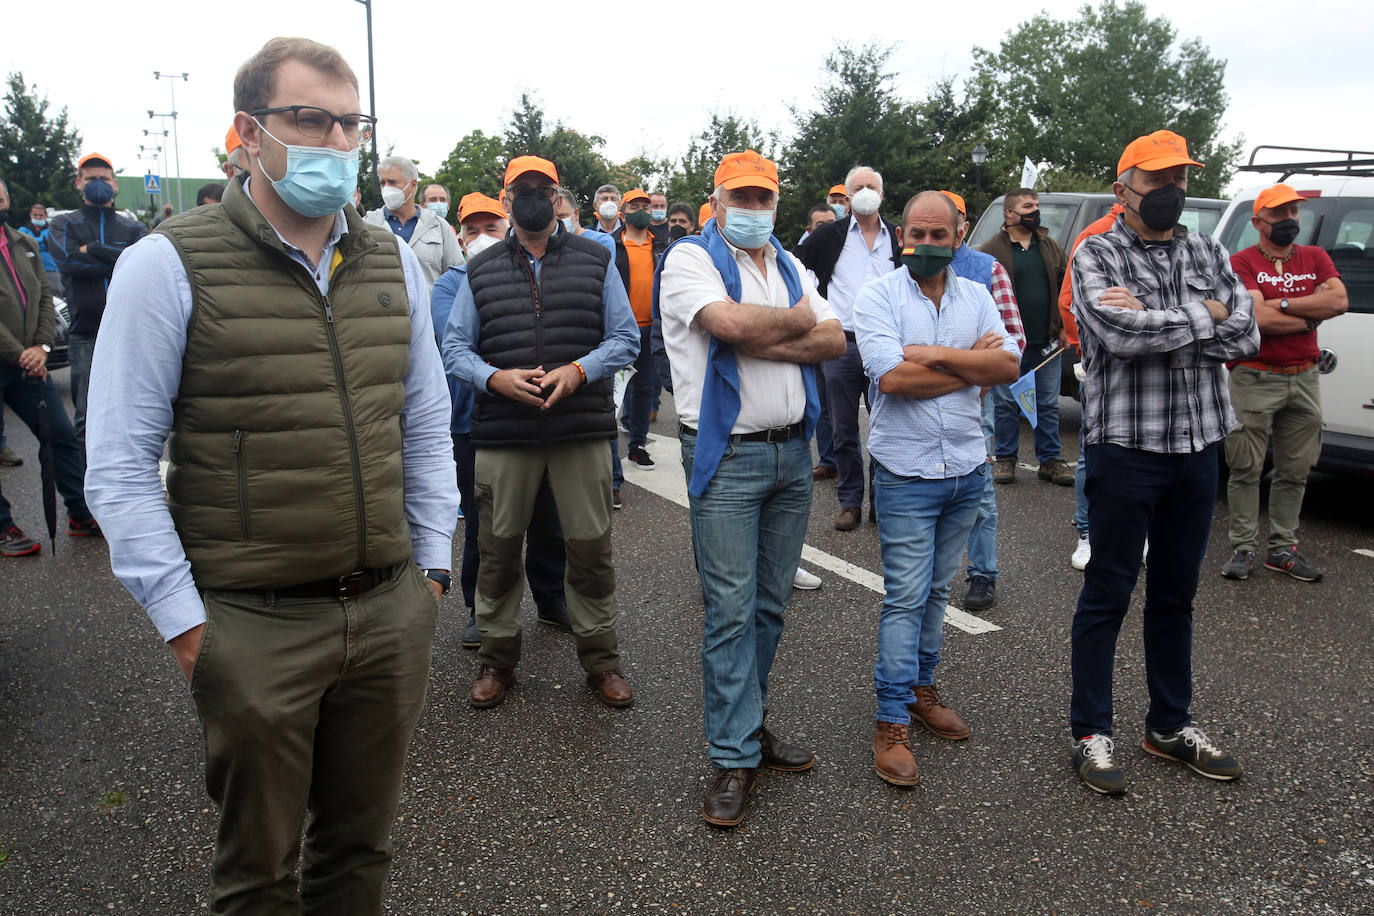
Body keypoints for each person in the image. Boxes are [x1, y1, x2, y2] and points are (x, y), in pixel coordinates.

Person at [84, 37, 461, 911]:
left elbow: (427, 418)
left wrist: (433, 570)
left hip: (388, 610)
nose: (334, 143)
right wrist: (188, 627)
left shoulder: (390, 260)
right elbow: (119, 463)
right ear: (249, 134)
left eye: (348, 124)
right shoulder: (167, 265)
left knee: (359, 853)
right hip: (252, 625)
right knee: (257, 872)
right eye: (308, 120)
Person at [658, 150, 845, 827]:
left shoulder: (791, 267)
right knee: (730, 611)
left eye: (764, 199)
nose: (754, 209)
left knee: (768, 607)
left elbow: (836, 342)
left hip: (793, 455)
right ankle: (733, 753)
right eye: (741, 197)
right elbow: (729, 326)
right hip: (729, 458)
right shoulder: (690, 259)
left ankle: (749, 727)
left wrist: (763, 332)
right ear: (715, 201)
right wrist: (791, 323)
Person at [1068, 129, 1258, 795]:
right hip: (1126, 451)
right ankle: (1090, 732)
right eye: (1157, 180)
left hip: (1199, 447)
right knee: (1108, 593)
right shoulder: (1096, 254)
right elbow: (1117, 335)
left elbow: (1250, 329)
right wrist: (1205, 314)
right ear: (1124, 191)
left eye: (1179, 177)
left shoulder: (1208, 248)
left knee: (1176, 595)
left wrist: (1161, 314)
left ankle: (1169, 725)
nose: (1171, 191)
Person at [442, 155, 639, 711]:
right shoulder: (478, 271)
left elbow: (626, 340)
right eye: (520, 189)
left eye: (542, 188)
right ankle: (497, 659)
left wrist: (579, 371)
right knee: (497, 549)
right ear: (506, 200)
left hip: (579, 430)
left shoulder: (597, 259)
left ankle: (602, 660)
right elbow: (455, 348)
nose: (531, 197)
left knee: (590, 548)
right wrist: (493, 378)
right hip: (505, 432)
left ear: (557, 197)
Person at [855, 192, 1020, 786]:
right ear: (902, 234)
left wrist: (935, 357)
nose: (927, 245)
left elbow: (1006, 366)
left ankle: (923, 690)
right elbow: (893, 379)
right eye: (917, 235)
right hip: (905, 473)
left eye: (938, 235)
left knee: (936, 594)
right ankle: (891, 718)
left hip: (966, 472)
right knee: (905, 596)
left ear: (959, 236)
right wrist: (965, 364)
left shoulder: (976, 296)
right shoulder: (878, 296)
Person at [435, 192, 574, 650]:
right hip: (476, 421)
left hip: (545, 415)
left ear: (508, 225)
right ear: (459, 235)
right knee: (486, 525)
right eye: (471, 230)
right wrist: (499, 375)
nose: (480, 237)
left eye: (489, 228)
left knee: (549, 519)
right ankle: (482, 608)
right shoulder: (451, 284)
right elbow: (459, 345)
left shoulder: (547, 270)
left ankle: (551, 600)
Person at [1221, 184, 1347, 583]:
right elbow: (1257, 319)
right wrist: (1311, 314)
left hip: (1304, 377)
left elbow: (1339, 301)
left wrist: (1285, 304)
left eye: (1294, 212)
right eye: (1279, 214)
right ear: (1258, 222)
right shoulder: (1242, 262)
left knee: (1296, 469)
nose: (1289, 220)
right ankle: (1243, 547)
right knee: (1245, 467)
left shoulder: (1315, 256)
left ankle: (1283, 549)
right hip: (1254, 374)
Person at [796, 165, 902, 530]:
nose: (866, 191)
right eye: (858, 187)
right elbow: (796, 268)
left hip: (888, 345)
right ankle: (851, 501)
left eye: (872, 186)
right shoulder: (829, 235)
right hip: (842, 344)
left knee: (887, 426)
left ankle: (883, 502)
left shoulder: (898, 237)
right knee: (843, 429)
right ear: (847, 196)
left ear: (882, 195)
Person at [0, 176, 100, 548]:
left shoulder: (23, 243)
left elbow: (44, 296)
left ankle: (79, 511)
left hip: (29, 363)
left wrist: (41, 346)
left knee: (60, 434)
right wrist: (20, 351)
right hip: (15, 356)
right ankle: (3, 525)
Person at [940, 190, 1025, 613]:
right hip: (916, 403)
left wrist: (978, 372)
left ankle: (982, 574)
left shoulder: (987, 269)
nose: (938, 232)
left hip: (978, 399)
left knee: (980, 490)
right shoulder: (904, 269)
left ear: (963, 225)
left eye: (948, 221)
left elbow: (1012, 339)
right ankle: (923, 576)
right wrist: (972, 356)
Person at [46, 152, 146, 453]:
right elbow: (67, 261)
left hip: (131, 333)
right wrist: (119, 256)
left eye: (104, 179)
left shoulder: (131, 227)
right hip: (86, 332)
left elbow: (143, 263)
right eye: (91, 179)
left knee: (138, 414)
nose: (98, 185)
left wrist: (94, 249)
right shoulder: (65, 223)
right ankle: (86, 494)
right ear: (79, 183)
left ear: (114, 184)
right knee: (87, 418)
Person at [979, 188, 1072, 486]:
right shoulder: (990, 250)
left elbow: (1066, 288)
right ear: (1009, 213)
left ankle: (1050, 461)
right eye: (1028, 206)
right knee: (1006, 404)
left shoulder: (1051, 247)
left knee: (1047, 404)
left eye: (1036, 206)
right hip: (1007, 343)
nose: (1035, 211)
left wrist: (1064, 327)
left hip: (1046, 342)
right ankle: (1005, 459)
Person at [1057, 202, 1124, 571]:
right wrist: (1087, 348)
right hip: (1102, 367)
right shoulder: (1096, 233)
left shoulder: (1179, 240)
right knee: (1092, 451)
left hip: (1155, 376)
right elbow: (1069, 302)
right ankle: (1087, 533)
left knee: (1140, 456)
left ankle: (1134, 531)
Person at [612, 188, 667, 471]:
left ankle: (637, 445)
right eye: (635, 205)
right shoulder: (610, 245)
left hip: (651, 328)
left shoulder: (661, 244)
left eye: (646, 205)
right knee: (613, 390)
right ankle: (604, 448)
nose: (643, 210)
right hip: (619, 331)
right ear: (622, 212)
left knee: (645, 388)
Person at [365, 155, 463, 291]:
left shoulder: (439, 227)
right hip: (382, 310)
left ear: (413, 185)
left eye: (392, 182)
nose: (386, 189)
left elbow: (456, 276)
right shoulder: (368, 224)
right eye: (383, 183)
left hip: (430, 311)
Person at [799, 201, 839, 478]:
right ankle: (828, 459)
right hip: (811, 339)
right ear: (810, 230)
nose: (826, 231)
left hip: (838, 338)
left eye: (831, 225)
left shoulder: (842, 257)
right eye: (820, 226)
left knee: (844, 410)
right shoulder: (799, 262)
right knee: (821, 403)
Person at [19, 202, 62, 296]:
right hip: (30, 270)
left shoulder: (52, 230)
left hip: (51, 270)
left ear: (46, 216)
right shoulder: (23, 230)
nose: (38, 217)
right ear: (30, 215)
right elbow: (22, 246)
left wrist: (33, 243)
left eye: (41, 215)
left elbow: (54, 244)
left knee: (56, 295)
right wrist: (43, 241)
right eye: (35, 215)